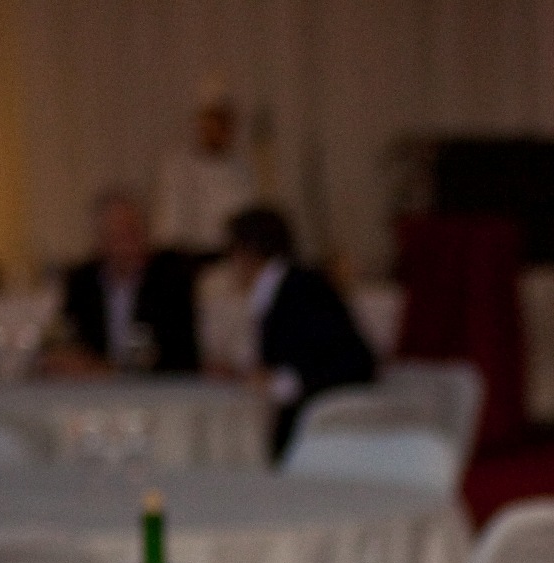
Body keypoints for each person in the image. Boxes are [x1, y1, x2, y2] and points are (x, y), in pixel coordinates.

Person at [222, 205, 375, 456]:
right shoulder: (286, 286)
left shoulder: (302, 290)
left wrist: (284, 381)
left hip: (325, 430)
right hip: (306, 419)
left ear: (248, 253)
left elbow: (353, 361)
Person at [55, 189, 199, 374]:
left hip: (157, 386)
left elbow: (182, 353)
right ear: (99, 240)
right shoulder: (82, 283)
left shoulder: (171, 281)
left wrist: (111, 371)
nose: (125, 243)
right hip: (93, 388)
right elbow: (69, 339)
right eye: (115, 234)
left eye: (131, 231)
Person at [155, 82, 258, 254]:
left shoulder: (242, 169)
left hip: (231, 256)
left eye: (224, 121)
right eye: (212, 120)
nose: (218, 128)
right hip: (190, 255)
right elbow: (169, 224)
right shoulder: (178, 167)